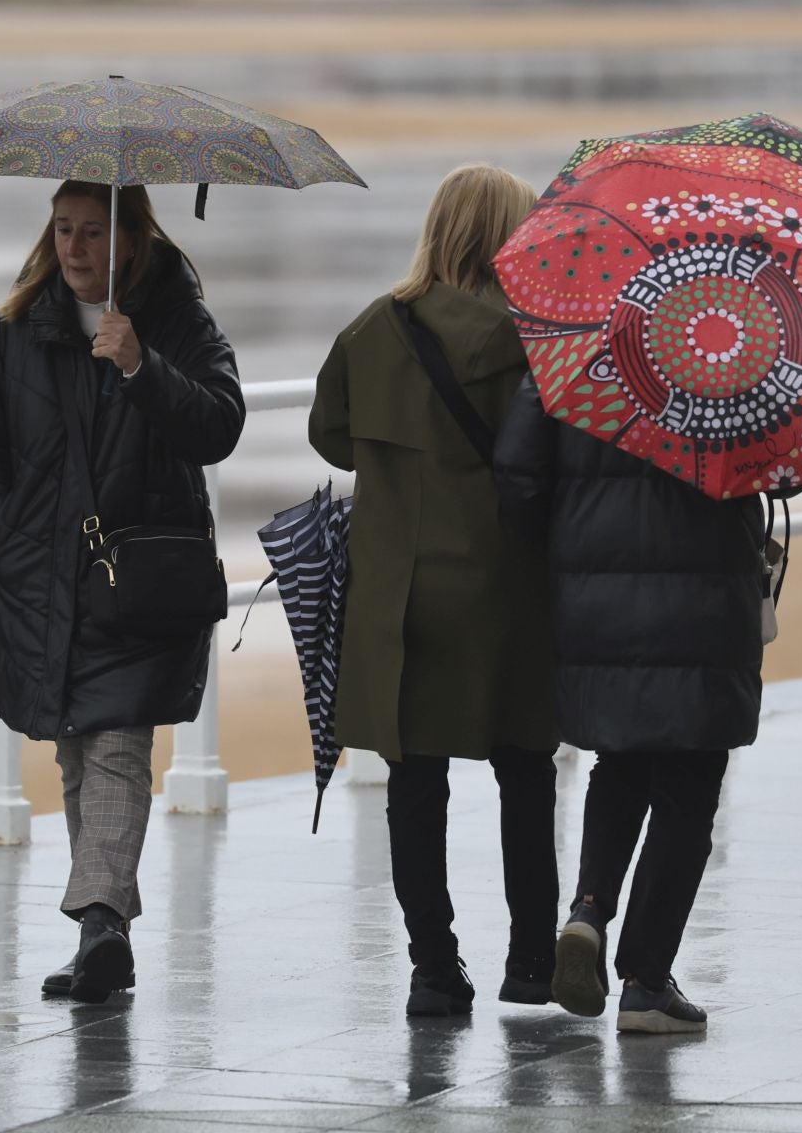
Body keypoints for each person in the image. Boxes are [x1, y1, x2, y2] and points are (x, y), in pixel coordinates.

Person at [0, 180, 243, 1004]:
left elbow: (219, 425)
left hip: (138, 577)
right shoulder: (19, 328)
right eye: (63, 231)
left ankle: (98, 922)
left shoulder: (177, 323)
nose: (75, 249)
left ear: (133, 243)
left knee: (118, 745)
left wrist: (139, 365)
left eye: (93, 233)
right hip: (42, 577)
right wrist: (0, 525)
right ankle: (105, 925)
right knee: (77, 750)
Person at [309, 164, 560, 1018]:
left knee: (415, 787)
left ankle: (433, 968)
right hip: (505, 589)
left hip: (398, 601)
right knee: (526, 774)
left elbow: (331, 437)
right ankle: (530, 963)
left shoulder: (372, 328)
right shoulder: (529, 338)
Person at [493, 364, 768, 1034]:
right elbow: (779, 465)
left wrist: (568, 543)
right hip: (704, 590)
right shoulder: (740, 351)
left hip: (596, 589)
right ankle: (645, 981)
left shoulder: (572, 348)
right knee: (691, 780)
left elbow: (517, 474)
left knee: (620, 759)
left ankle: (588, 909)